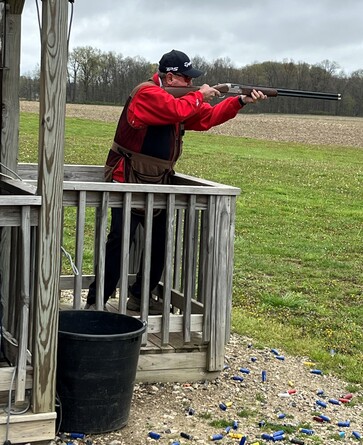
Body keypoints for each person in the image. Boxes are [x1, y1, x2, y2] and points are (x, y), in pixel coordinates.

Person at [85, 49, 267, 313]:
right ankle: (95, 301)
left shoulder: (182, 100)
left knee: (159, 244)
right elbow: (175, 108)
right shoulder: (147, 93)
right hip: (128, 178)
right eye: (186, 79)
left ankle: (139, 297)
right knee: (119, 242)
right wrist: (199, 95)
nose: (191, 84)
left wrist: (239, 101)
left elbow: (207, 118)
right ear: (170, 79)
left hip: (159, 181)